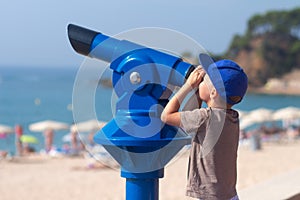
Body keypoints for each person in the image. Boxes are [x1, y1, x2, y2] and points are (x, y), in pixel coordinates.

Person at [161, 53, 248, 200]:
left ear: (213, 92)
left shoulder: (205, 117)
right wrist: (199, 90)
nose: (199, 80)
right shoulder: (232, 117)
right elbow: (193, 114)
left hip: (210, 196)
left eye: (204, 80)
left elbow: (166, 116)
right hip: (229, 195)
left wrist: (189, 86)